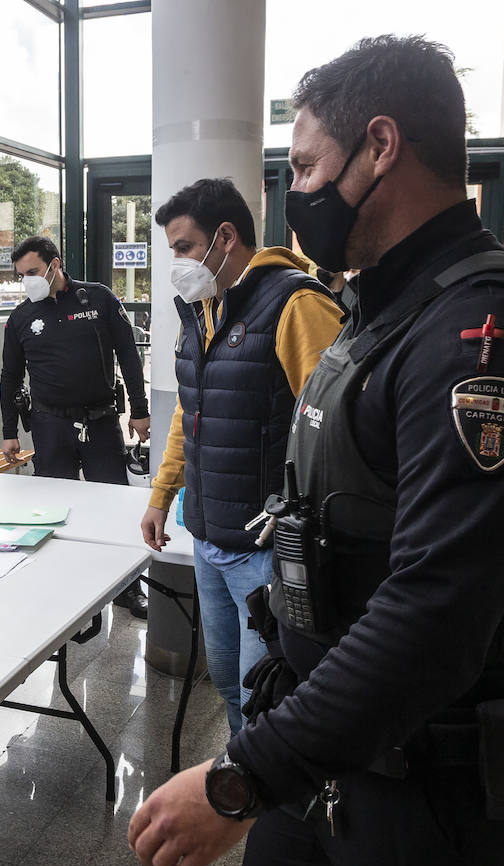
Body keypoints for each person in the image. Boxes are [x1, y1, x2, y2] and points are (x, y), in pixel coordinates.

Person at [128, 36, 504, 866]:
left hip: (430, 792)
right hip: (327, 750)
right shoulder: (378, 312)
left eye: (308, 167)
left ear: (380, 146)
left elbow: (436, 613)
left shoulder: (484, 334)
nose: (298, 192)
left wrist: (243, 777)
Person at [141, 178, 342, 735]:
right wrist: (162, 496)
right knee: (229, 683)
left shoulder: (296, 304)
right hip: (209, 539)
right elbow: (189, 414)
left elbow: (334, 430)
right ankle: (240, 777)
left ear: (226, 237)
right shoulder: (203, 310)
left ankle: (264, 785)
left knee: (266, 697)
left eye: (184, 247)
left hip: (266, 549)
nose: (178, 263)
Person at [1, 235, 151, 617]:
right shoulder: (20, 318)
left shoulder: (97, 298)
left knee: (114, 507)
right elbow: (10, 377)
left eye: (33, 271)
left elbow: (128, 354)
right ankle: (62, 587)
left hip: (100, 421)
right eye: (21, 275)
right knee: (54, 511)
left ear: (55, 264)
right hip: (50, 425)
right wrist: (8, 432)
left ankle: (127, 589)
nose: (27, 280)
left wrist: (139, 409)